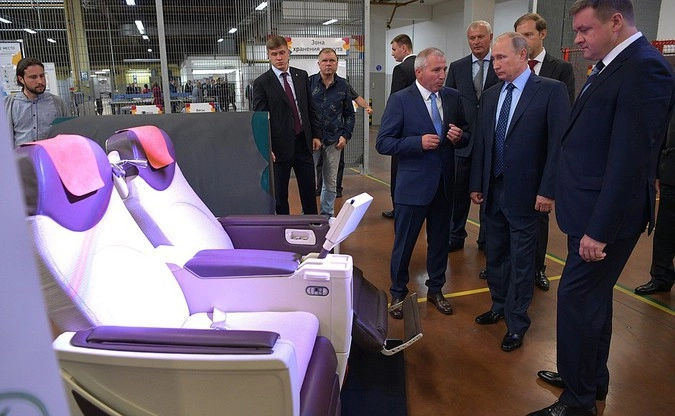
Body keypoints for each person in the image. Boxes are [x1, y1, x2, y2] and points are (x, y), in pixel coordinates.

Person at [529, 1, 675, 415]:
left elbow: (631, 161)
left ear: (615, 22)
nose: (577, 39)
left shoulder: (644, 68)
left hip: (604, 218)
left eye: (584, 30)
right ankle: (588, 378)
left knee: (577, 301)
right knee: (592, 302)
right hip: (588, 209)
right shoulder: (613, 64)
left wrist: (600, 230)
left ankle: (578, 402)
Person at [469, 32, 570, 352]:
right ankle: (498, 305)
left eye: (501, 58)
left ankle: (516, 322)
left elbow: (558, 145)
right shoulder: (491, 95)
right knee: (496, 254)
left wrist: (548, 190)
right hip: (493, 189)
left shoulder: (551, 91)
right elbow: (483, 142)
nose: (495, 64)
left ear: (523, 55)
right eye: (494, 59)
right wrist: (477, 184)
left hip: (528, 194)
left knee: (523, 261)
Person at [376, 47, 469, 319]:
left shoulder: (452, 97)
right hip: (412, 187)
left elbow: (466, 133)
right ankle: (397, 293)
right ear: (419, 72)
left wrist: (459, 136)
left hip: (444, 186)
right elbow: (384, 142)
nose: (442, 75)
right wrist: (417, 143)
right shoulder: (400, 100)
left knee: (439, 242)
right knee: (404, 244)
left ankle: (436, 289)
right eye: (436, 70)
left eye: (444, 69)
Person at [515, 12, 576, 291]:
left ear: (542, 34)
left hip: (541, 158)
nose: (523, 40)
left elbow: (562, 118)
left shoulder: (560, 69)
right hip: (514, 156)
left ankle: (537, 267)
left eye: (528, 35)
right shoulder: (510, 67)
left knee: (538, 218)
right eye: (519, 36)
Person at [445, 20, 499, 253]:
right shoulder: (457, 67)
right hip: (462, 142)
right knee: (458, 193)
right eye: (472, 38)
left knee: (489, 194)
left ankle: (486, 240)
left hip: (492, 141)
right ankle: (455, 235)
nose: (476, 42)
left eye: (480, 37)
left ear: (490, 37)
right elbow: (448, 102)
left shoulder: (500, 64)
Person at [253, 35, 320, 215]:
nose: (279, 58)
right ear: (268, 56)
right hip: (278, 149)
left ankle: (312, 223)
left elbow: (309, 108)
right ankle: (283, 227)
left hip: (303, 143)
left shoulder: (301, 76)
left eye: (282, 53)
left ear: (288, 52)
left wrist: (315, 134)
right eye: (274, 54)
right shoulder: (262, 83)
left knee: (309, 190)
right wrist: (266, 147)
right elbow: (260, 119)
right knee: (280, 195)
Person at [309, 48, 355, 216]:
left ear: (336, 64)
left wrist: (346, 135)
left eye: (332, 61)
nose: (328, 64)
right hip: (311, 141)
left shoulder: (344, 85)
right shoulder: (308, 83)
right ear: (319, 63)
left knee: (330, 181)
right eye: (325, 61)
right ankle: (307, 214)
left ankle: (327, 215)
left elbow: (349, 114)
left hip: (334, 140)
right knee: (308, 180)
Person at [635, 111, 675, 295]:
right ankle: (661, 277)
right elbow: (663, 134)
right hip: (671, 174)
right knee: (665, 232)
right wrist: (658, 172)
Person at [315, 82, 373, 198]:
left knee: (338, 163)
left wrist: (367, 106)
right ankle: (320, 187)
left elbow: (356, 98)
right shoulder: (312, 83)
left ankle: (337, 188)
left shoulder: (343, 85)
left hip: (335, 133)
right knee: (319, 162)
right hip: (317, 133)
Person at [382, 34, 416, 220]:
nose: (393, 54)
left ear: (404, 48)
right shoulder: (422, 65)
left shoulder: (401, 69)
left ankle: (399, 208)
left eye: (394, 49)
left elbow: (395, 100)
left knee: (399, 170)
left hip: (403, 131)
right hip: (421, 130)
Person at [4, 57, 69, 147]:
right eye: (33, 77)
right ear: (21, 79)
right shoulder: (9, 104)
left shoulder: (57, 103)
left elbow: (68, 132)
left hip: (49, 154)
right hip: (21, 155)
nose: (40, 81)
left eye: (42, 76)